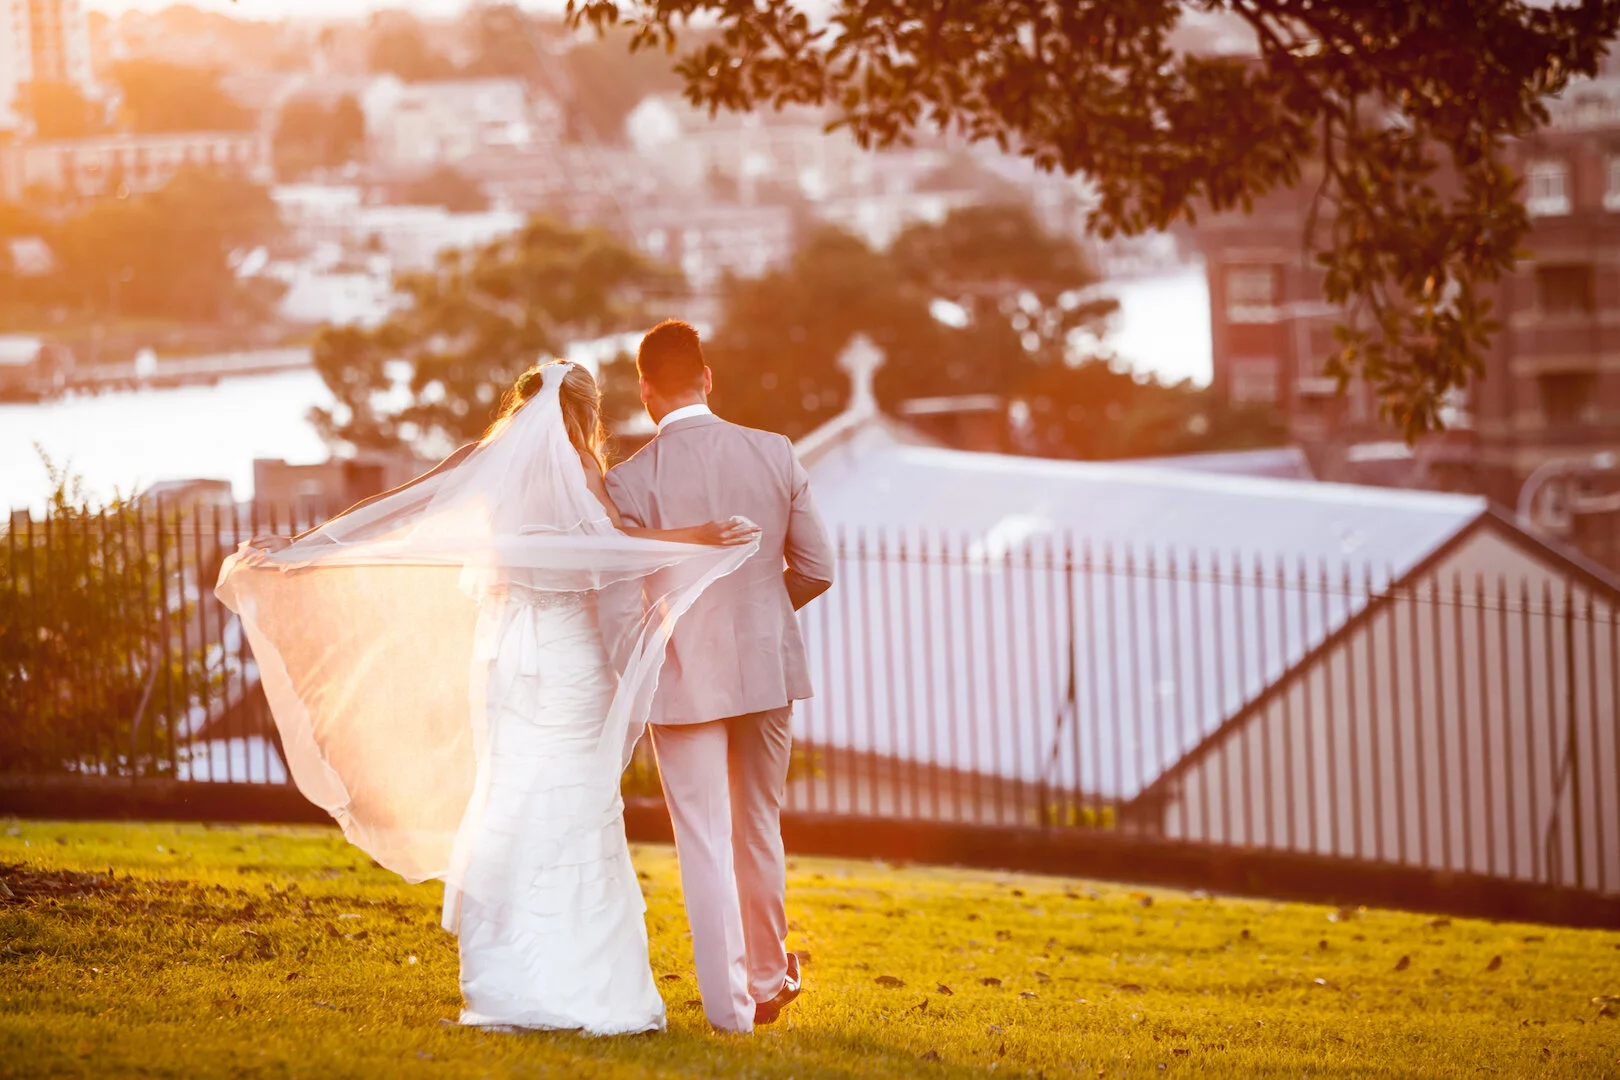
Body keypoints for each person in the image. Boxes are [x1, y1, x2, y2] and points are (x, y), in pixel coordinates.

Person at [217, 360, 758, 1036]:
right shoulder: (585, 474)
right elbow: (622, 548)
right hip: (567, 660)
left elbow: (394, 512)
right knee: (577, 805)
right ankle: (591, 985)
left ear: (522, 405)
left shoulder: (484, 459)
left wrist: (299, 550)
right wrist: (699, 538)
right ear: (586, 415)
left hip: (503, 656)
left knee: (511, 798)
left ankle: (507, 982)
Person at [606, 320, 834, 1033]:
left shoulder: (627, 481)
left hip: (681, 681)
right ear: (708, 377)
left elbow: (617, 591)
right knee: (758, 828)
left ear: (646, 392)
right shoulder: (775, 453)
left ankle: (729, 1010)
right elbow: (819, 568)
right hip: (765, 670)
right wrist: (763, 616)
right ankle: (768, 981)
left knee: (701, 837)